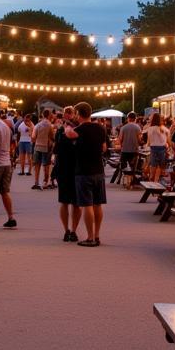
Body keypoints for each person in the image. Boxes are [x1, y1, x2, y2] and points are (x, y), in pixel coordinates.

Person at [64, 101, 107, 246]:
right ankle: (97, 235)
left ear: (78, 114)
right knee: (98, 204)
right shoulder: (101, 128)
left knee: (87, 204)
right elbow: (104, 148)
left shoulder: (80, 129)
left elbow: (69, 134)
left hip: (83, 171)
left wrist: (67, 125)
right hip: (99, 170)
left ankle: (90, 238)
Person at [52, 104, 82, 241]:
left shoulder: (60, 132)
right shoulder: (81, 131)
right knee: (76, 203)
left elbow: (56, 151)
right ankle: (73, 231)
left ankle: (66, 230)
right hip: (77, 169)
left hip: (63, 168)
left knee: (64, 202)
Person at [31, 109, 55, 189]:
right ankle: (45, 182)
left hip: (37, 146)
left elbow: (33, 137)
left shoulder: (37, 125)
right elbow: (52, 137)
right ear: (49, 115)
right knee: (46, 165)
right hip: (46, 147)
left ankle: (36, 182)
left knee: (37, 165)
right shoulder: (50, 125)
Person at [145, 112, 170, 186]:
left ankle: (151, 185)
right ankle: (159, 184)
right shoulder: (164, 129)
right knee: (161, 168)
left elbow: (148, 142)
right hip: (162, 148)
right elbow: (169, 141)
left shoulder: (150, 129)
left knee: (153, 167)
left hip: (153, 149)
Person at [118, 112, 142, 187]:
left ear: (128, 118)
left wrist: (121, 145)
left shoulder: (123, 127)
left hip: (125, 150)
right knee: (133, 167)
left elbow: (120, 139)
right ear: (135, 119)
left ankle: (125, 181)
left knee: (124, 166)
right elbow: (139, 139)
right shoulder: (138, 127)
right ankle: (132, 181)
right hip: (134, 150)